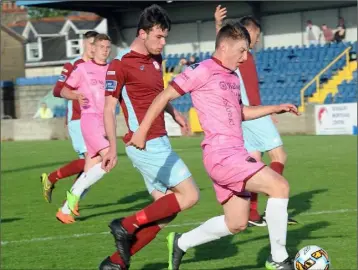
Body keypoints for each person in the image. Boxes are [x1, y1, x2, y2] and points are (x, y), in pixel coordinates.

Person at [128, 22, 298, 270]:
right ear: (225, 46)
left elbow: (239, 111)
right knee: (279, 186)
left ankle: (180, 242)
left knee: (236, 223)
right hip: (222, 155)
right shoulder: (202, 70)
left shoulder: (232, 77)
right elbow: (164, 95)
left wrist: (275, 107)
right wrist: (142, 131)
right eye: (241, 51)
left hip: (233, 154)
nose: (245, 57)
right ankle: (279, 259)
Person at [98, 5, 199, 270]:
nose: (163, 42)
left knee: (167, 211)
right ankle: (125, 225)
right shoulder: (119, 66)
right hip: (145, 144)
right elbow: (108, 108)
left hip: (159, 140)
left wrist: (174, 114)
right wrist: (110, 148)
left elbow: (158, 94)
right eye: (159, 37)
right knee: (190, 196)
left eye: (165, 37)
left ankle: (115, 264)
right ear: (142, 33)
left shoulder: (156, 60)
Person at [215, 5, 297, 227]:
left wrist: (266, 111)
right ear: (248, 32)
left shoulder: (243, 57)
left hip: (247, 115)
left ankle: (252, 214)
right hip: (249, 112)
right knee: (279, 156)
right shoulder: (243, 55)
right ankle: (274, 209)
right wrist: (218, 25)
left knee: (254, 162)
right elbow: (223, 48)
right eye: (257, 35)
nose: (258, 40)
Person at [55, 34, 112, 224]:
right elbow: (62, 90)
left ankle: (64, 211)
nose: (105, 50)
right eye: (101, 46)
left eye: (107, 47)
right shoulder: (82, 69)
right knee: (109, 160)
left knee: (90, 168)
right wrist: (75, 96)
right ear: (93, 48)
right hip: (89, 121)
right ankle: (73, 195)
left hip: (105, 123)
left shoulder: (112, 70)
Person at [40, 31, 98, 204]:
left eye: (97, 45)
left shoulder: (101, 67)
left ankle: (66, 197)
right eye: (91, 44)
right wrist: (76, 96)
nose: (94, 48)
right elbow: (58, 90)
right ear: (84, 44)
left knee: (93, 165)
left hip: (95, 122)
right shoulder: (73, 65)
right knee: (91, 160)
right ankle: (65, 196)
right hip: (78, 119)